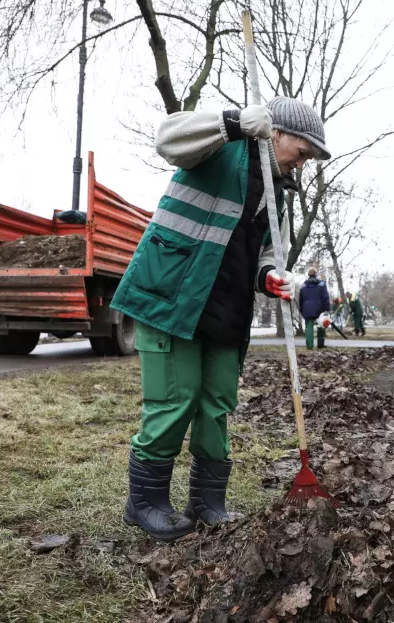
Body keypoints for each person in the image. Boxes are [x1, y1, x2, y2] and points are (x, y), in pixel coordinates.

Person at [111, 97, 329, 540]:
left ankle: (207, 501)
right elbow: (168, 139)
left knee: (216, 406)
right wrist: (233, 122)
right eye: (302, 152)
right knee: (175, 400)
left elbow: (269, 251)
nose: (302, 164)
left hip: (228, 307)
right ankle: (145, 502)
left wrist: (270, 275)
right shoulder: (218, 145)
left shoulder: (278, 194)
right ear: (277, 133)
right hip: (173, 296)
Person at [298, 267, 331, 349]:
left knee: (309, 327)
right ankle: (320, 344)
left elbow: (300, 299)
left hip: (307, 309)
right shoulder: (322, 284)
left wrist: (301, 309)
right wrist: (327, 309)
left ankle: (309, 346)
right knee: (321, 326)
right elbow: (325, 297)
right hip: (320, 309)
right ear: (316, 274)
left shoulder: (303, 285)